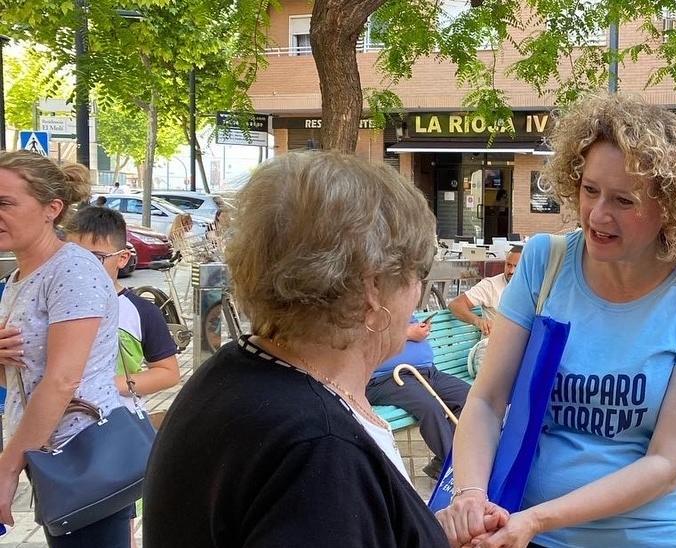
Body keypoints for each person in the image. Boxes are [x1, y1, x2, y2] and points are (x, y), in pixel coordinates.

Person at [437, 95, 676, 547]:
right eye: (590, 189)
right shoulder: (545, 261)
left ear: (672, 207)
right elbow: (486, 400)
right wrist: (471, 494)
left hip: (649, 537)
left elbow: (667, 464)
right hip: (523, 531)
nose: (599, 215)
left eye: (624, 200)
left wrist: (538, 520)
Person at [144, 152, 473, 546]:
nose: (419, 291)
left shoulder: (235, 371)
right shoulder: (320, 451)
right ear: (372, 290)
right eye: (419, 273)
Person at [0, 152, 128, 546]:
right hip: (48, 454)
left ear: (51, 209)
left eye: (5, 203)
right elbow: (18, 375)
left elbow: (62, 380)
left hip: (85, 456)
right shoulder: (21, 276)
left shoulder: (72, 270)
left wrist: (6, 470)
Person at [64, 207, 181, 407]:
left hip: (118, 424)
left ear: (122, 258)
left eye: (96, 258)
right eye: (73, 257)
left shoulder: (142, 311)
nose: (82, 267)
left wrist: (107, 385)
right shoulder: (51, 306)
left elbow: (168, 373)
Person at [366, 317, 471, 480]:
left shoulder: (401, 305)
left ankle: (443, 461)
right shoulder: (365, 308)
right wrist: (407, 333)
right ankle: (456, 471)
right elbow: (362, 339)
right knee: (431, 407)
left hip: (429, 372)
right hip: (388, 377)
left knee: (470, 398)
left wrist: (420, 328)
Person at [447, 246, 522, 336]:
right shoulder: (490, 285)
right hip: (492, 344)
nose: (511, 271)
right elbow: (455, 305)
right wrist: (478, 321)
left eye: (516, 266)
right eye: (508, 265)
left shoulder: (532, 288)